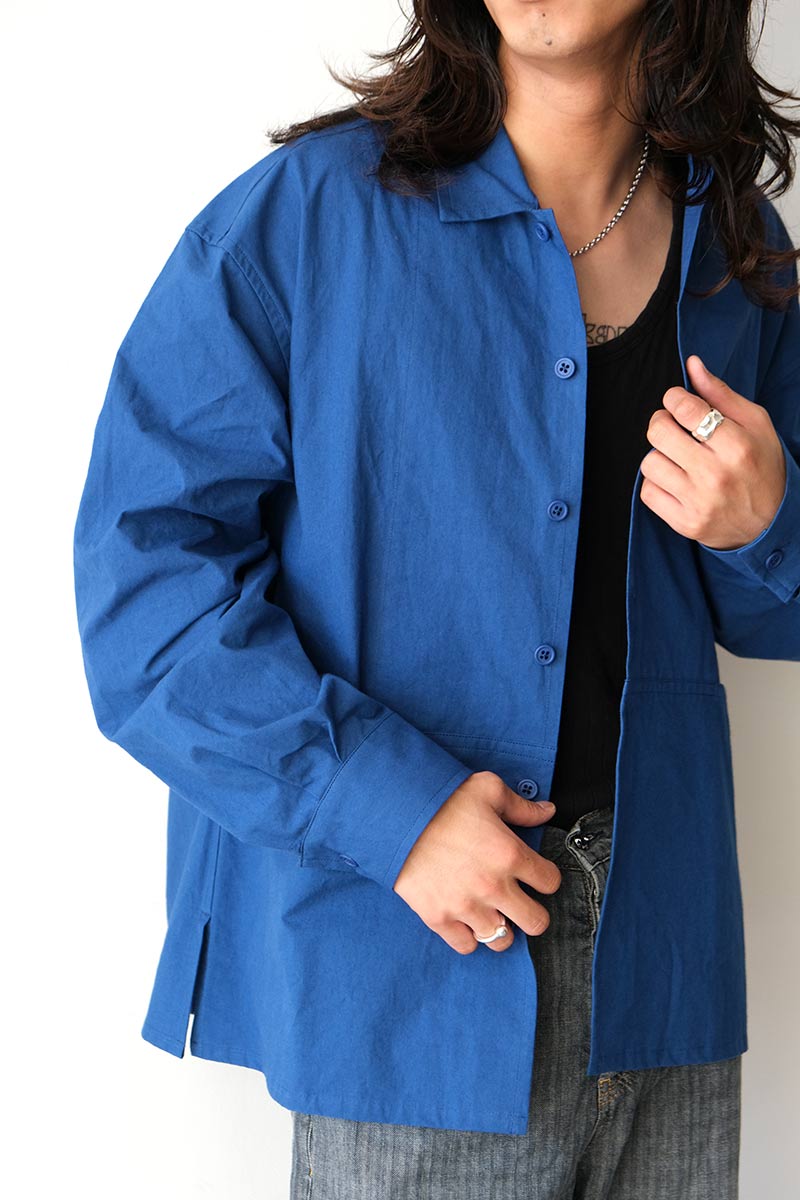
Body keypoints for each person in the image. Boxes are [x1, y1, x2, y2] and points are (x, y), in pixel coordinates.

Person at [73, 1, 800, 1196]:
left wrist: (768, 524)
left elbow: (766, 619)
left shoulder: (735, 247)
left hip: (660, 970)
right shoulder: (308, 216)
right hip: (408, 973)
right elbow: (144, 588)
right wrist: (383, 808)